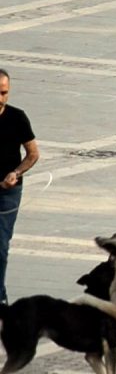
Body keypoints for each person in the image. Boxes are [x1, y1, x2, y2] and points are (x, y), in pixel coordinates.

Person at [0, 69, 40, 305]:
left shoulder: (17, 117)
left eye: (4, 93)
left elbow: (33, 153)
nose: (1, 98)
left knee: (0, 244)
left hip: (8, 191)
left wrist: (16, 173)